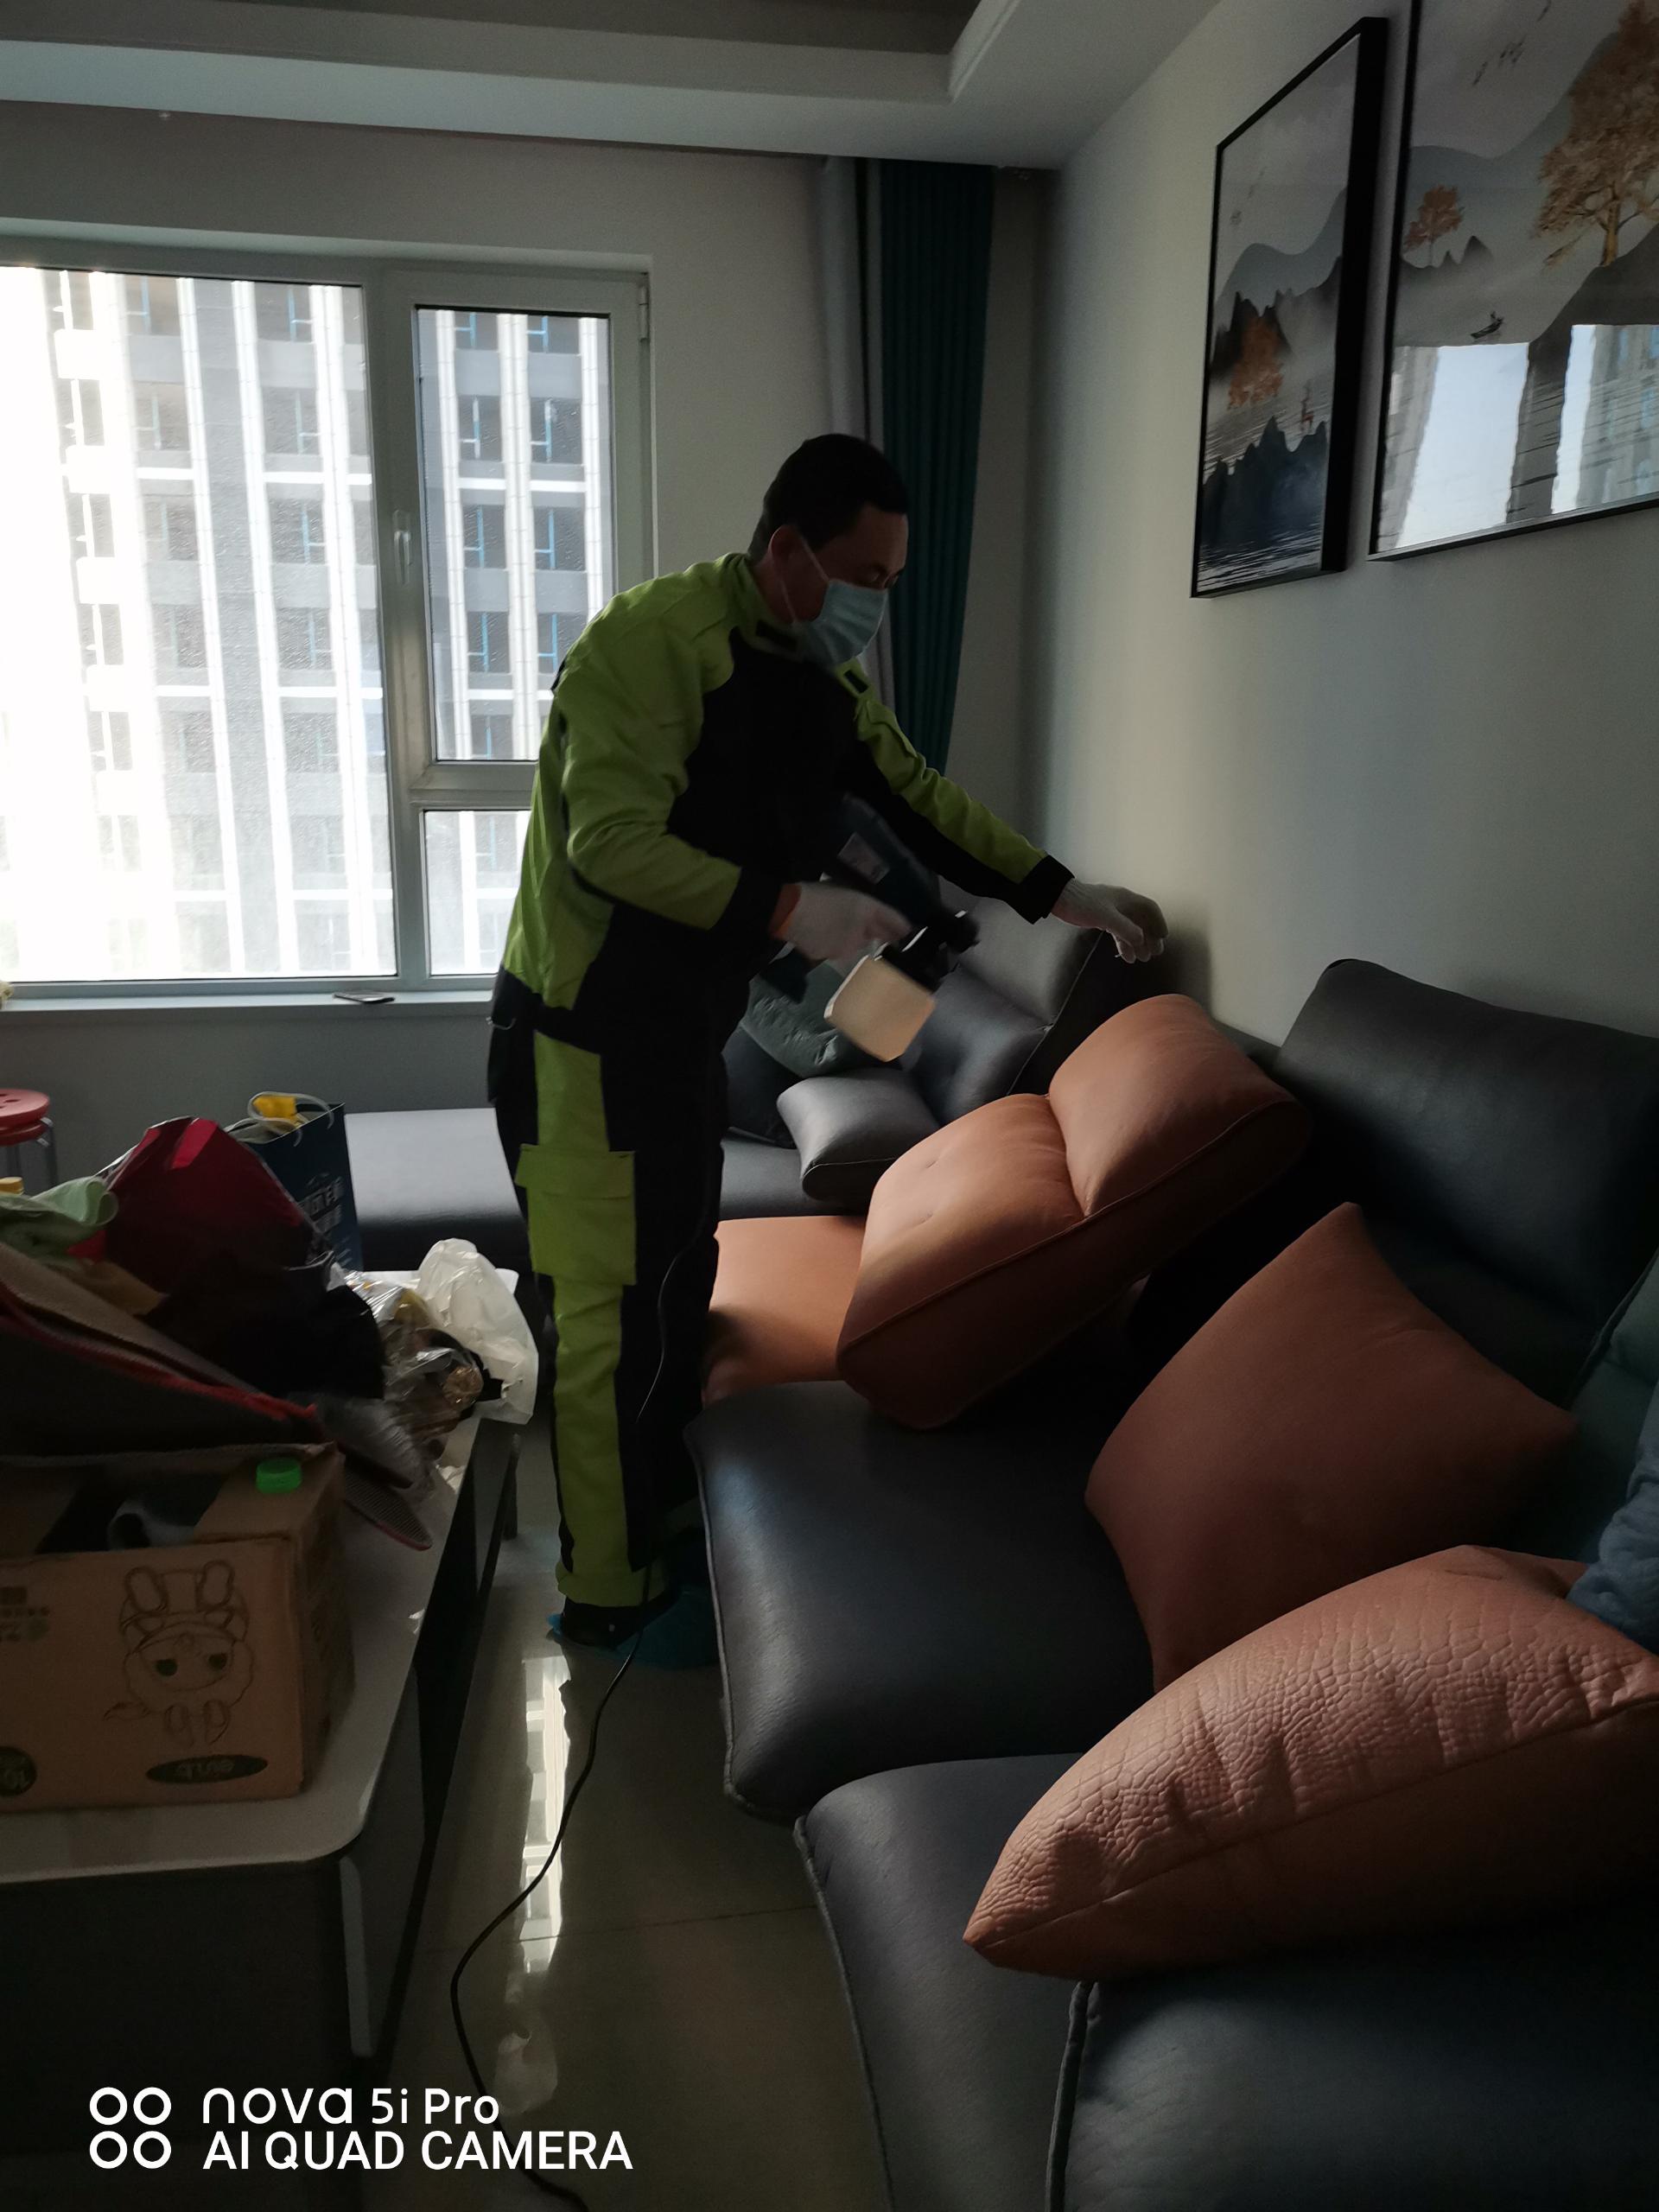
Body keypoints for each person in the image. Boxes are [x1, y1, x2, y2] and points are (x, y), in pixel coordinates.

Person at [490, 434, 1166, 1654]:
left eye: (893, 584)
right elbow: (609, 843)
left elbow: (920, 797)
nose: (874, 605)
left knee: (676, 1284)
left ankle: (658, 1525)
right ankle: (605, 1593)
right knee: (605, 1321)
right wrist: (791, 909)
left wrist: (1062, 892)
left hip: (680, 1039)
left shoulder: (816, 676)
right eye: (864, 576)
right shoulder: (653, 644)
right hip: (579, 1040)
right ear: (790, 549)